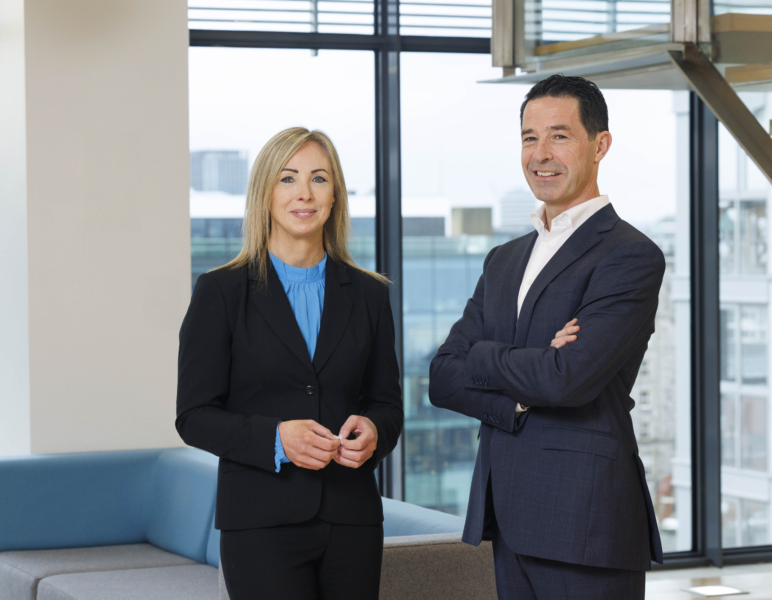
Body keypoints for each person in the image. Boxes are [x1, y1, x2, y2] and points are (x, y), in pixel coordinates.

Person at [429, 75, 665, 599]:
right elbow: (442, 375)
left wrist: (485, 355)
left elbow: (566, 380)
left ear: (599, 145)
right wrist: (517, 395)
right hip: (508, 518)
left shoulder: (629, 255)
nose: (541, 153)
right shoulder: (504, 259)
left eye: (559, 135)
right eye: (529, 137)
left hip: (585, 522)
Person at [176, 127, 403, 600]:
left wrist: (376, 433)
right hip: (259, 524)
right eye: (287, 179)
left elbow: (386, 404)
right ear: (264, 194)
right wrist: (276, 439)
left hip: (352, 520)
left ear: (335, 195)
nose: (304, 192)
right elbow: (193, 416)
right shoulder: (220, 293)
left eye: (319, 178)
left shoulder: (369, 294)